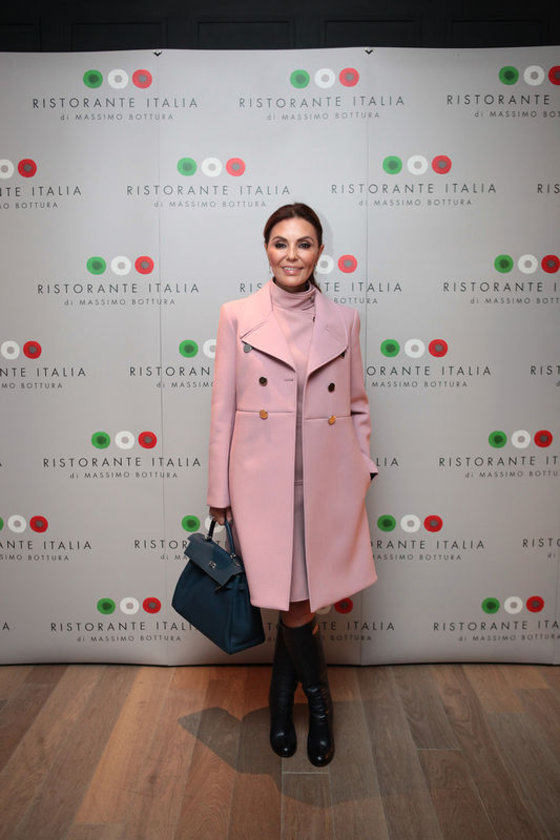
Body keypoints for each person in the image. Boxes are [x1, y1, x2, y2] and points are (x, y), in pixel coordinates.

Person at [207, 202, 377, 766]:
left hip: (326, 485)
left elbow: (357, 404)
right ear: (266, 249)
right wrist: (218, 492)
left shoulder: (344, 320)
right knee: (293, 603)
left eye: (304, 244)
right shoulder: (237, 316)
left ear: (320, 251)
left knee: (296, 602)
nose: (292, 255)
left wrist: (362, 466)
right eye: (281, 243)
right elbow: (222, 410)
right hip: (261, 486)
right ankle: (319, 707)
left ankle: (283, 707)